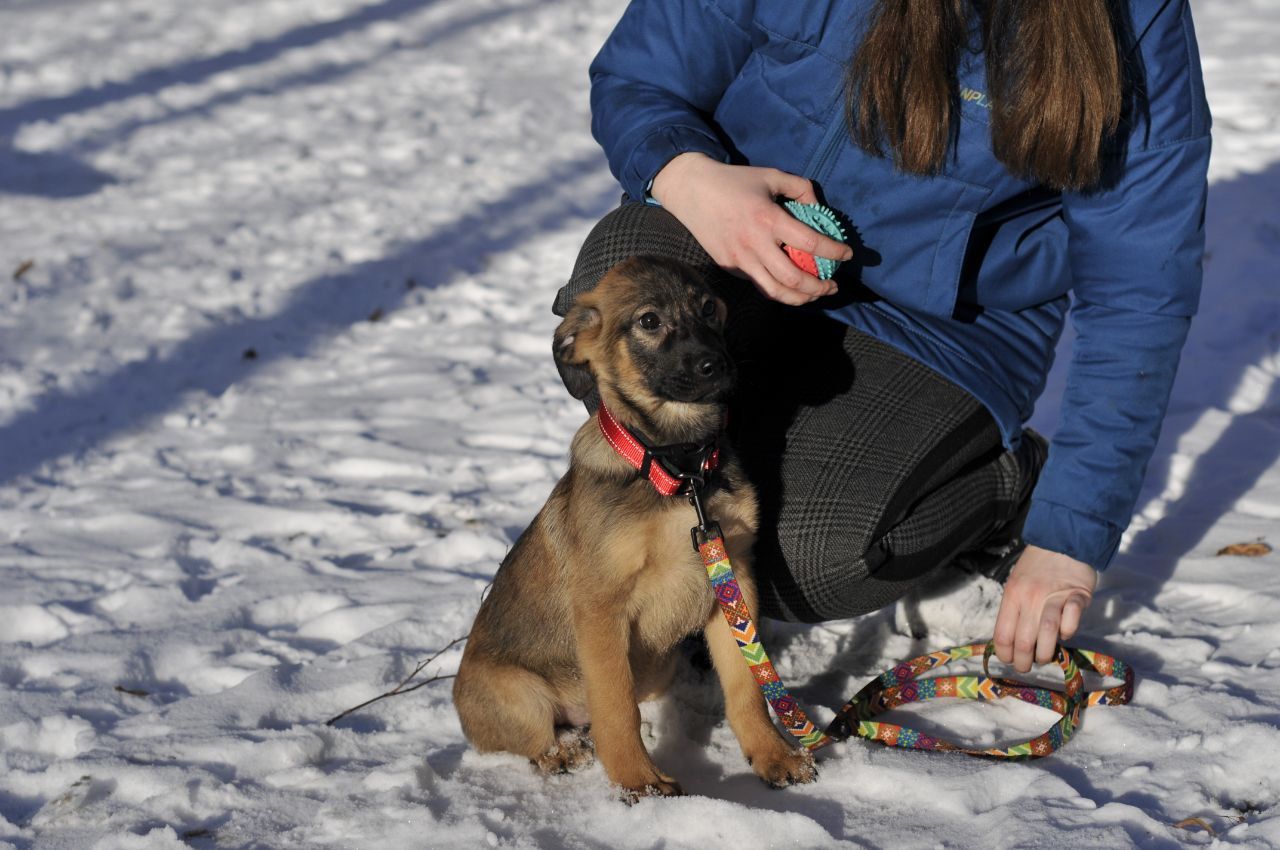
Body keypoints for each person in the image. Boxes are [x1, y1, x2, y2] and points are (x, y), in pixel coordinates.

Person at [554, 0, 1210, 673]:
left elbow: (1140, 287)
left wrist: (1070, 534)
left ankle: (1006, 484)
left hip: (943, 330)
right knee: (604, 337)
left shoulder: (1138, 13)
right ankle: (687, 538)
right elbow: (639, 76)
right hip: (740, 241)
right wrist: (688, 176)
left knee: (803, 561)